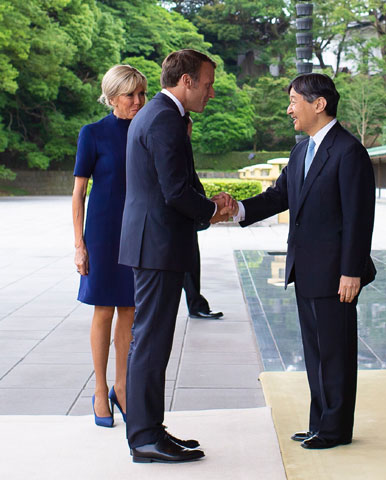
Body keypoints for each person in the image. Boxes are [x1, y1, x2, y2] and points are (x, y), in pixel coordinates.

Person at [231, 73, 376, 450]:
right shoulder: (302, 151)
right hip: (306, 268)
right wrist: (238, 210)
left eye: (294, 100)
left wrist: (352, 271)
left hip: (337, 273)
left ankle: (335, 429)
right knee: (316, 352)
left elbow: (359, 219)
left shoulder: (349, 151)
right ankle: (320, 422)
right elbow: (280, 196)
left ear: (319, 103)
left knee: (335, 351)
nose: (289, 108)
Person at [118, 49, 236, 463]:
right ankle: (145, 437)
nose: (212, 93)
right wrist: (212, 211)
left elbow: (176, 181)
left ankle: (149, 429)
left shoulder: (157, 115)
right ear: (186, 81)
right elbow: (173, 191)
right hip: (157, 245)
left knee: (151, 340)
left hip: (155, 243)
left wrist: (205, 205)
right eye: (208, 84)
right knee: (150, 342)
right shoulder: (165, 118)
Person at [72, 64, 147, 428]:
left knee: (130, 312)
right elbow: (78, 195)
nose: (138, 101)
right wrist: (78, 244)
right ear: (113, 96)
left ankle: (122, 387)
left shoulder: (147, 130)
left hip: (136, 232)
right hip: (101, 232)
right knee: (103, 310)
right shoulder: (93, 133)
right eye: (131, 95)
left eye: (141, 94)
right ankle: (100, 390)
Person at [184, 115, 223, 320]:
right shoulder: (174, 145)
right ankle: (196, 303)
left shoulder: (184, 146)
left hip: (189, 216)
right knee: (187, 265)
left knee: (191, 264)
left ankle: (196, 303)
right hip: (179, 217)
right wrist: (210, 211)